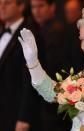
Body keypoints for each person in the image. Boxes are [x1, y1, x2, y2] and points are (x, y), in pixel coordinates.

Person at [0, 0, 44, 130]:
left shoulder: (30, 35)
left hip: (15, 114)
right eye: (0, 3)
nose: (2, 7)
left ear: (21, 6)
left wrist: (24, 118)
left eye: (7, 3)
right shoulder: (3, 32)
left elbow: (32, 80)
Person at [30, 0, 71, 130]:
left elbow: (52, 67)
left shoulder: (58, 31)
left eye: (41, 6)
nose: (36, 11)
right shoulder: (38, 30)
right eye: (33, 7)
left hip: (53, 100)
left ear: (52, 7)